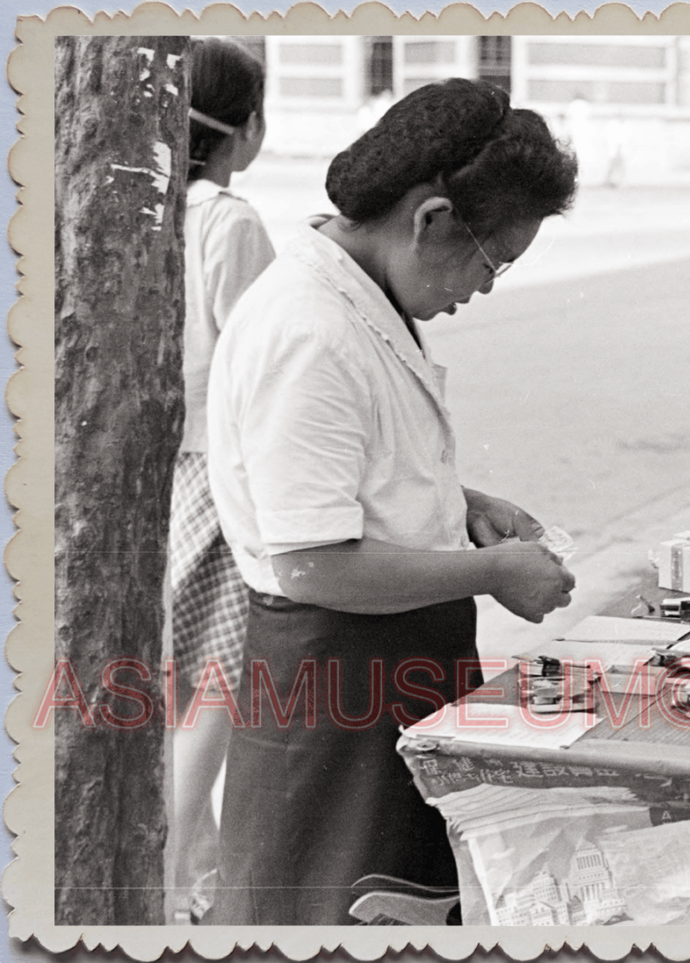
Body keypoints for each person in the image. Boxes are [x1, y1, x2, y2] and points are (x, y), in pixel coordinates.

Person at [206, 79, 579, 925]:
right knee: (328, 910)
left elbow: (352, 478)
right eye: (493, 262)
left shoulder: (364, 297)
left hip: (393, 665)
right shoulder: (309, 327)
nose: (485, 288)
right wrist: (490, 570)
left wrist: (458, 502)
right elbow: (311, 561)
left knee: (404, 905)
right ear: (432, 219)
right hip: (336, 678)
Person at [168, 36, 275, 922]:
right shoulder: (228, 220)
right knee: (212, 685)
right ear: (247, 127)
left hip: (163, 474)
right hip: (216, 470)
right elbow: (255, 363)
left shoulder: (149, 204)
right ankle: (177, 883)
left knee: (175, 683)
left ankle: (190, 876)